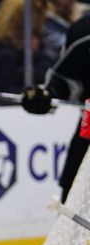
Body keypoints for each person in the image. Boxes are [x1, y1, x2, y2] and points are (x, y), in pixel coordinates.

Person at [21, 12, 90, 202]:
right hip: (88, 138)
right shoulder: (85, 32)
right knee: (74, 206)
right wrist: (48, 94)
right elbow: (67, 80)